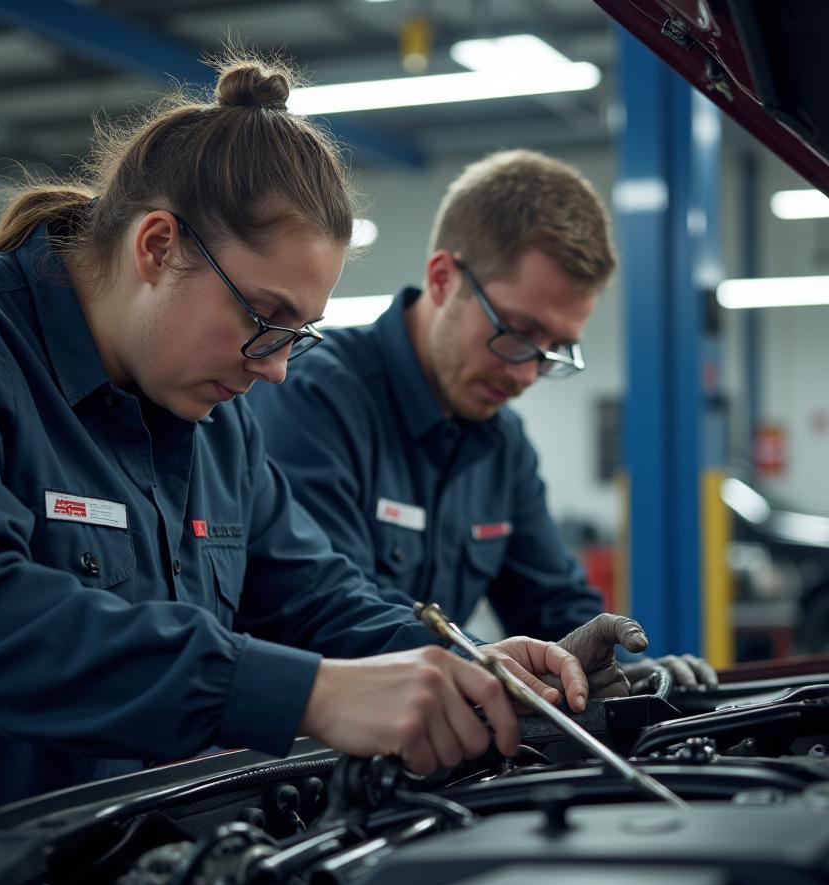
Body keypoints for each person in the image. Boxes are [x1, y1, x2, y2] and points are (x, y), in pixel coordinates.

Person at [0, 57, 628, 830]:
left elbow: (314, 595)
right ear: (157, 246)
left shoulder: (213, 413)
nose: (280, 368)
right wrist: (312, 694)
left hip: (135, 873)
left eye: (298, 333)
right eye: (264, 317)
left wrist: (467, 670)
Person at [253, 149, 717, 692]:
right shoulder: (311, 398)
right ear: (444, 278)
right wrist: (489, 665)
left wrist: (612, 673)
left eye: (555, 348)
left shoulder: (502, 443)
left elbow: (554, 608)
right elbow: (331, 615)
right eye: (518, 332)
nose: (526, 375)